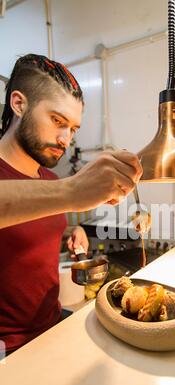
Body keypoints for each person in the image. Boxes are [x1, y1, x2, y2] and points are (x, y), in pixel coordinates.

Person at [0, 54, 142, 354]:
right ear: (18, 103)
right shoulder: (59, 186)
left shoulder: (50, 179)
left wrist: (67, 233)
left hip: (51, 328)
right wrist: (71, 191)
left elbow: (23, 234)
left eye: (73, 129)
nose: (66, 139)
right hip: (7, 350)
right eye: (57, 121)